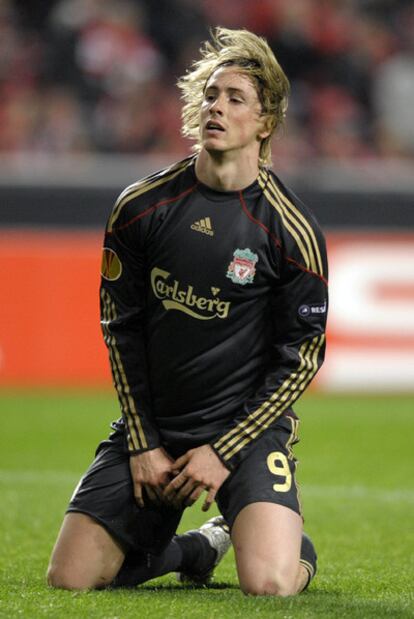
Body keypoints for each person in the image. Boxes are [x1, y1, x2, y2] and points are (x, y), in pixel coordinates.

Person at [47, 26, 328, 596]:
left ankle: (292, 547)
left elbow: (301, 358)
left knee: (270, 584)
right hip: (159, 428)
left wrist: (224, 448)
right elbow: (119, 329)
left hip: (243, 432)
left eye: (234, 99)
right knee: (72, 579)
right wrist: (144, 441)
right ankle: (197, 548)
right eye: (210, 95)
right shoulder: (140, 208)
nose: (216, 108)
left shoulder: (290, 231)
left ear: (265, 123)